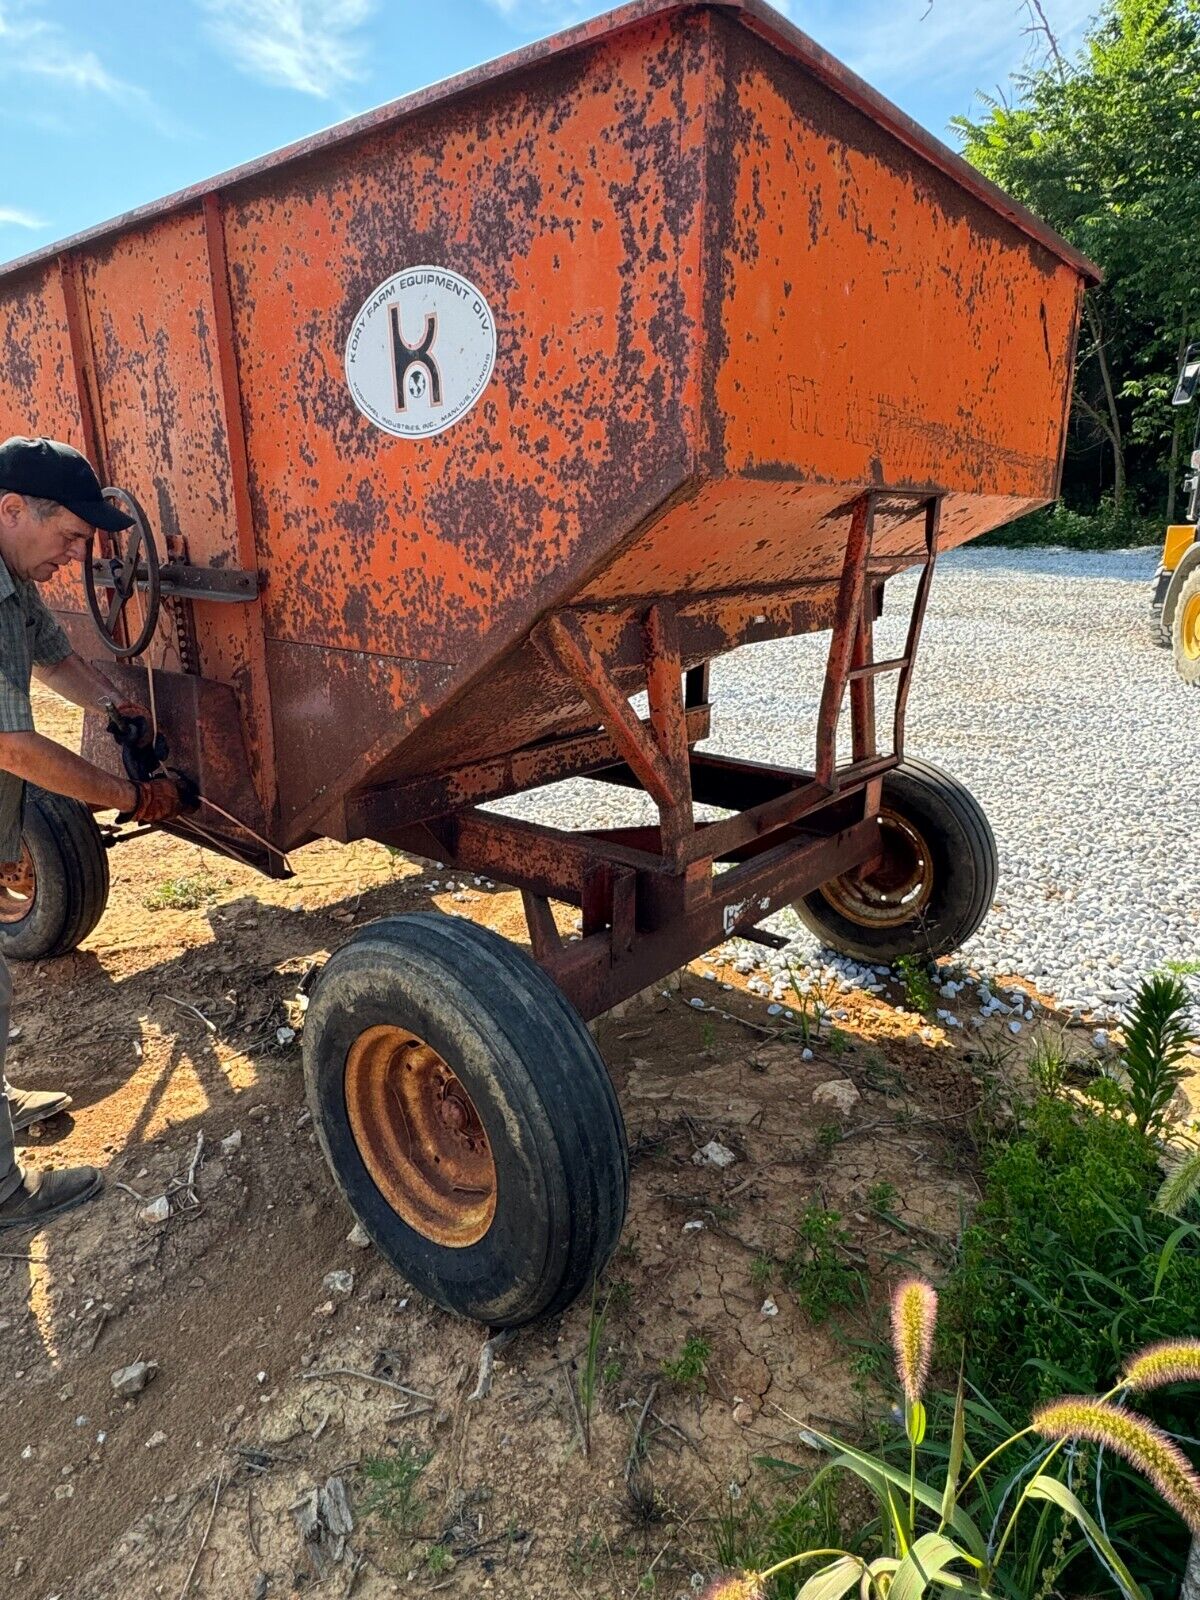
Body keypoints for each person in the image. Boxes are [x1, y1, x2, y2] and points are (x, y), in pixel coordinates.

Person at [0, 437, 187, 1229]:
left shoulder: (13, 579)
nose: (76, 555)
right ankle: (5, 1199)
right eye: (70, 537)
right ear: (12, 510)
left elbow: (52, 660)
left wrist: (112, 701)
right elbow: (11, 746)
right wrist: (129, 796)